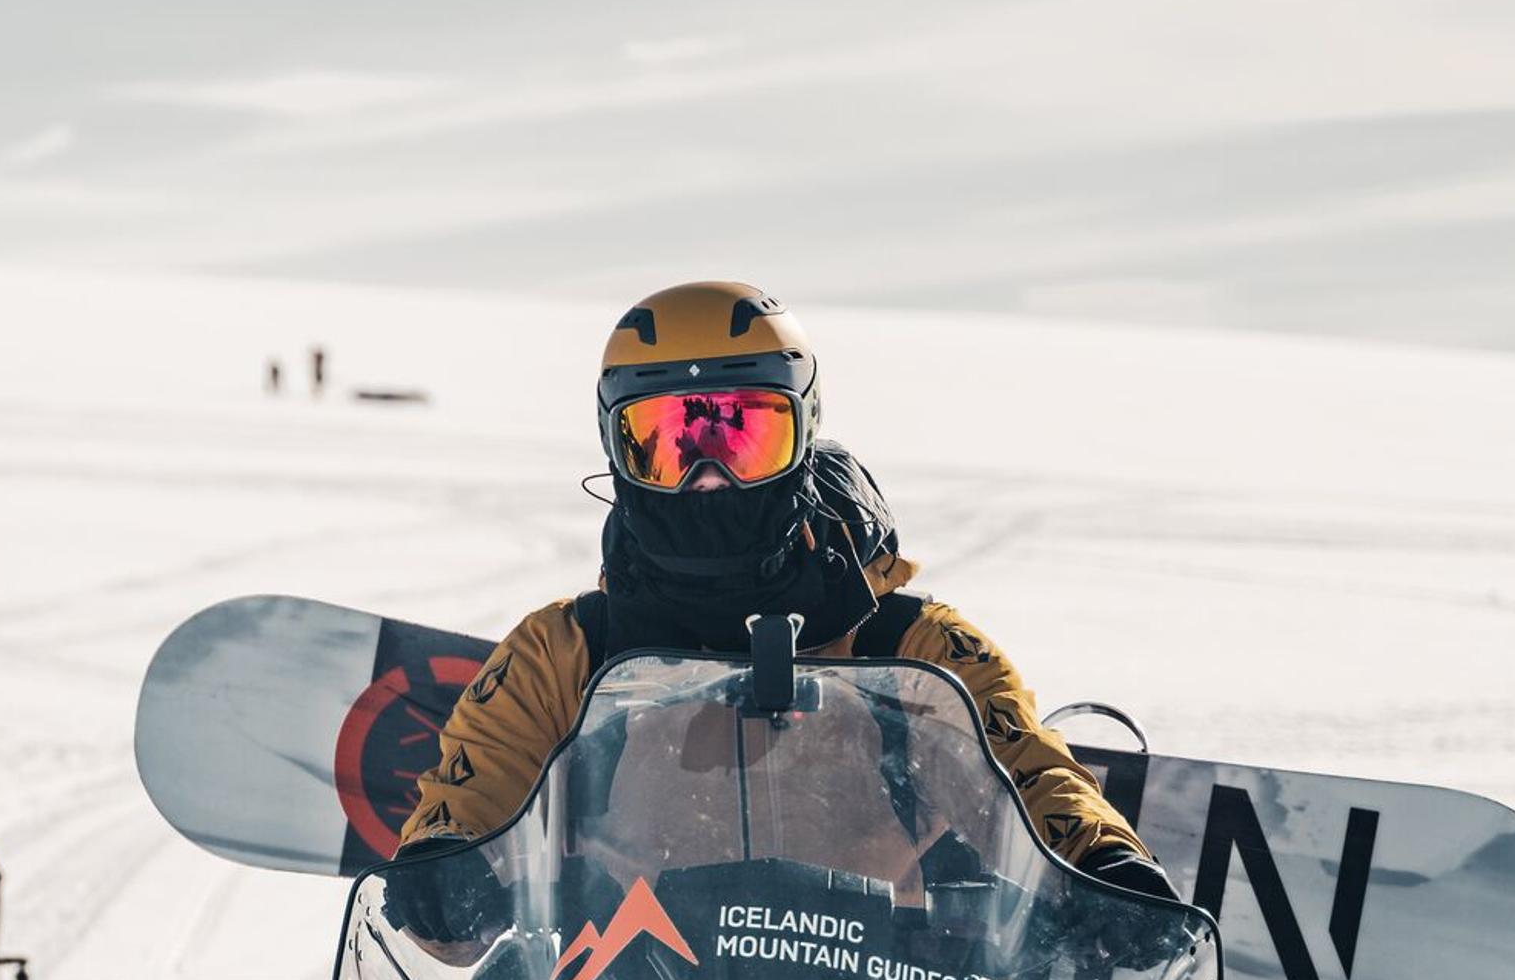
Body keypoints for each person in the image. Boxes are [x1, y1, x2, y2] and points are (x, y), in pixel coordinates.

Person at [396, 280, 1168, 899]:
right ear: (615, 451)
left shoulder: (911, 644)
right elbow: (477, 780)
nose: (708, 478)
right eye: (667, 446)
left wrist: (1100, 867)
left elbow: (1025, 769)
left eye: (745, 436)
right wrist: (446, 865)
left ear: (805, 433)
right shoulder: (567, 650)